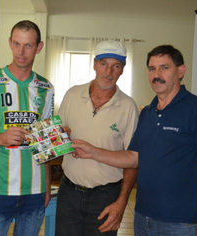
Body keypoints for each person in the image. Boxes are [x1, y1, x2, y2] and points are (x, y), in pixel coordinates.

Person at [72, 45, 197, 236]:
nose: (156, 74)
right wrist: (93, 152)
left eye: (164, 67)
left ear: (180, 71)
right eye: (152, 68)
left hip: (182, 223)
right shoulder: (147, 112)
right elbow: (134, 157)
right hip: (143, 217)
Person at [0, 20, 54, 236]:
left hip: (34, 190)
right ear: (9, 43)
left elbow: (46, 142)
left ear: (39, 47)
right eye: (16, 44)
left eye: (28, 45)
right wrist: (0, 138)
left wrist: (47, 183)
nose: (21, 52)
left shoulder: (46, 88)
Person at [55, 41, 139, 236]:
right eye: (103, 64)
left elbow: (133, 161)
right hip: (69, 192)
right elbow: (57, 141)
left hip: (106, 197)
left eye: (116, 66)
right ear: (94, 64)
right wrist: (61, 138)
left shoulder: (128, 107)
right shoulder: (72, 95)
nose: (108, 71)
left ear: (122, 70)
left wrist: (121, 202)